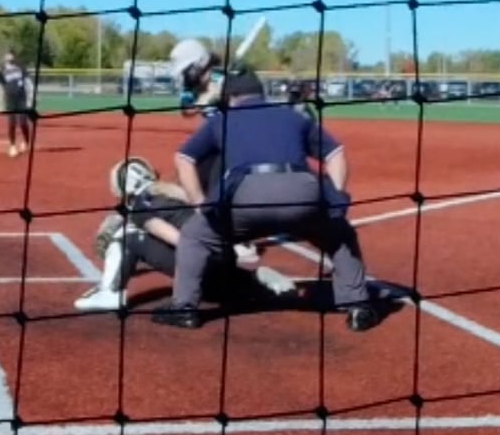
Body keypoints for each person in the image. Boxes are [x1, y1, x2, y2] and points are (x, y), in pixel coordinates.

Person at [154, 71, 381, 332]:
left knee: (195, 235)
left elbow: (184, 158)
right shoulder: (293, 116)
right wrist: (335, 197)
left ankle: (184, 308)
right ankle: (357, 306)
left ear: (230, 97)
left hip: (247, 196)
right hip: (301, 193)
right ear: (262, 93)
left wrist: (200, 203)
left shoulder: (222, 119)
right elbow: (335, 153)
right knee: (340, 235)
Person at [74, 156, 298, 312]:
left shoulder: (141, 207)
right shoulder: (174, 193)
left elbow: (183, 242)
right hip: (225, 259)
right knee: (217, 278)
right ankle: (252, 280)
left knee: (127, 236)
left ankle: (111, 292)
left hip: (204, 268)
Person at [0, 51, 35, 157]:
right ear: (4, 58)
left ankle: (26, 142)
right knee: (11, 123)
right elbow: (1, 88)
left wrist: (31, 99)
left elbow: (29, 83)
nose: (10, 57)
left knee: (23, 122)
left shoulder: (21, 68)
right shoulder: (2, 71)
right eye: (7, 55)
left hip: (22, 99)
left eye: (11, 55)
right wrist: (0, 104)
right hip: (10, 100)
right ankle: (12, 146)